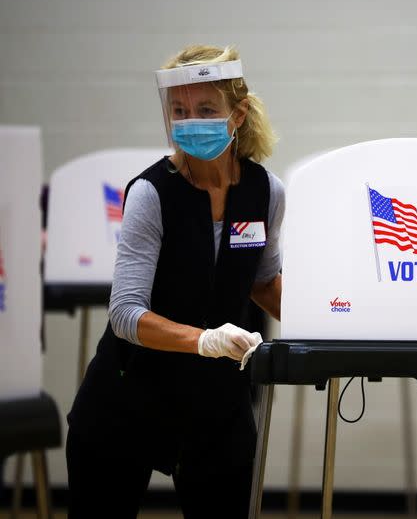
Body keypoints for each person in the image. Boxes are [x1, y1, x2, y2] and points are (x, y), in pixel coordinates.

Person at [66, 44, 284, 519]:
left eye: (207, 109)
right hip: (126, 403)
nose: (191, 123)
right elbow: (125, 313)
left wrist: (328, 317)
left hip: (216, 410)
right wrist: (205, 340)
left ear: (238, 114)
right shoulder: (151, 193)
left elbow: (263, 282)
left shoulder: (265, 191)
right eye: (180, 111)